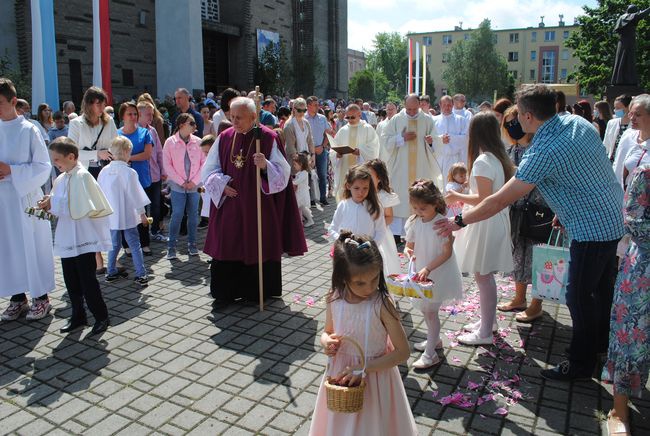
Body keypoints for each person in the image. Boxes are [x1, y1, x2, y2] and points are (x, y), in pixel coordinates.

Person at [436, 84, 624, 381]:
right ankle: (601, 345)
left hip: (591, 230)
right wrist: (565, 211)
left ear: (526, 116)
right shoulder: (578, 123)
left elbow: (499, 200)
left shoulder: (543, 151)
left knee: (578, 297)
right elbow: (584, 173)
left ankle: (580, 362)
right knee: (600, 292)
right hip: (611, 217)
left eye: (517, 115)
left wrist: (459, 220)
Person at [201, 97, 307, 308]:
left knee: (258, 243)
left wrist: (266, 166)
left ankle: (257, 292)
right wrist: (220, 183)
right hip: (229, 204)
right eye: (232, 117)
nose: (234, 122)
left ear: (253, 117)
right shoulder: (224, 137)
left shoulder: (267, 138)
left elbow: (283, 173)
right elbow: (209, 169)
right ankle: (225, 293)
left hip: (258, 206)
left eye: (239, 118)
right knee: (227, 243)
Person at [308, 232, 417, 436]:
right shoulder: (334, 298)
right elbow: (327, 331)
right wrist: (326, 341)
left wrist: (365, 368)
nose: (370, 287)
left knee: (373, 427)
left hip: (375, 379)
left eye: (375, 278)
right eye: (360, 283)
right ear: (342, 277)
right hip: (341, 377)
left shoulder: (382, 303)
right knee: (340, 427)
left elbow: (402, 352)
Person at [445, 112, 514, 345]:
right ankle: (488, 322)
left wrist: (455, 195)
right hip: (492, 220)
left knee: (483, 276)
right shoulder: (497, 157)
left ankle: (485, 332)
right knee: (484, 276)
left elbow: (485, 198)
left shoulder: (484, 160)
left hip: (486, 221)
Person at [41, 137, 112, 335]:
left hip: (83, 238)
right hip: (67, 237)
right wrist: (48, 204)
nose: (54, 163)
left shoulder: (82, 176)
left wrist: (53, 203)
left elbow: (77, 206)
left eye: (57, 159)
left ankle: (101, 316)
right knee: (71, 280)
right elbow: (61, 204)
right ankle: (78, 316)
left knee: (87, 280)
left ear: (71, 157)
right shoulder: (61, 178)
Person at [0, 77, 55, 321]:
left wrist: (12, 170)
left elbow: (43, 167)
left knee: (32, 247)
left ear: (13, 101)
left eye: (0, 103)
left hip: (25, 199)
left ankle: (41, 297)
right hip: (3, 200)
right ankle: (17, 297)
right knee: (8, 248)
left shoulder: (30, 129)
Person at [602, 164, 649, 436]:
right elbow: (633, 219)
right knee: (631, 338)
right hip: (644, 269)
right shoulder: (646, 173)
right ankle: (619, 409)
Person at [497, 106, 550, 322]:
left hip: (538, 211)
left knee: (537, 257)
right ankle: (519, 298)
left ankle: (536, 304)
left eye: (516, 122)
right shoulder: (510, 150)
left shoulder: (538, 148)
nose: (513, 127)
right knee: (518, 255)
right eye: (509, 123)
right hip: (516, 210)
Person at [404, 179, 463, 368]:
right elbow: (409, 244)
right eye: (415, 208)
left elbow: (447, 252)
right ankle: (434, 340)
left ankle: (431, 355)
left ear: (435, 204)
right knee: (424, 308)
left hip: (438, 272)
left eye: (423, 208)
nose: (418, 212)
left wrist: (428, 268)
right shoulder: (414, 221)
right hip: (422, 270)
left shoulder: (441, 224)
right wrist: (408, 252)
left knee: (430, 312)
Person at [380, 94, 443, 240]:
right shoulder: (396, 119)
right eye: (409, 109)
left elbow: (436, 142)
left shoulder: (427, 119)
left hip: (422, 166)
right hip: (400, 167)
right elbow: (385, 139)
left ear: (419, 105)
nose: (412, 112)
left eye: (415, 109)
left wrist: (431, 141)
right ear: (404, 105)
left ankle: (418, 234)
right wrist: (401, 138)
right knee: (399, 200)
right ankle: (396, 236)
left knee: (420, 198)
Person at [98, 137, 150, 287]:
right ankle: (141, 274)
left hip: (111, 216)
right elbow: (137, 195)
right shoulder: (130, 172)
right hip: (128, 216)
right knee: (134, 244)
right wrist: (142, 213)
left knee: (114, 244)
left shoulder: (104, 172)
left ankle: (111, 271)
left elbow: (100, 193)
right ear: (127, 152)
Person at [163, 113, 205, 259]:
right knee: (177, 214)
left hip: (195, 185)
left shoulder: (199, 142)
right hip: (177, 186)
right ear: (181, 125)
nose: (195, 126)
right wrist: (181, 182)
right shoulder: (170, 142)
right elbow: (167, 165)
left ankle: (192, 244)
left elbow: (204, 163)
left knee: (193, 215)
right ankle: (171, 246)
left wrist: (194, 181)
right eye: (191, 123)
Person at [118, 102, 153, 256]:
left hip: (141, 178)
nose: (133, 117)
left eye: (135, 114)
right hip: (122, 180)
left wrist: (128, 157)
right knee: (126, 212)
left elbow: (147, 154)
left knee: (142, 211)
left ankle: (144, 243)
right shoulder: (117, 134)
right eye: (129, 114)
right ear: (122, 117)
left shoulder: (144, 133)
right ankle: (126, 245)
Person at [330, 104, 379, 202]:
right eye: (347, 117)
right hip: (345, 170)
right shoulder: (343, 130)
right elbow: (333, 149)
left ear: (360, 115)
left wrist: (360, 151)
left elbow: (374, 148)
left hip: (362, 171)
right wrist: (337, 155)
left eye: (352, 117)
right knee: (345, 197)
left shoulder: (367, 128)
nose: (350, 120)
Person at [363, 159, 401, 275]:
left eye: (370, 176)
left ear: (379, 178)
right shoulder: (362, 193)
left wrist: (377, 225)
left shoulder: (383, 196)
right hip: (364, 232)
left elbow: (389, 217)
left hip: (381, 234)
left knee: (383, 260)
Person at [137, 100, 167, 241]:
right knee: (141, 207)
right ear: (139, 115)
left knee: (155, 206)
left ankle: (155, 231)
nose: (151, 117)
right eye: (148, 114)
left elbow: (160, 152)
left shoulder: (152, 130)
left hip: (154, 175)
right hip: (139, 177)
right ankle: (142, 235)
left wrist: (163, 170)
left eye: (152, 114)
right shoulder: (133, 131)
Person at [619, 95, 650, 190]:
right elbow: (618, 167)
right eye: (630, 114)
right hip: (625, 200)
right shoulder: (628, 136)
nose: (632, 118)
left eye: (637, 115)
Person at [433, 95, 470, 175]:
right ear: (440, 105)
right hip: (438, 160)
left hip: (455, 159)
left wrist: (450, 138)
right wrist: (440, 139)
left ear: (453, 105)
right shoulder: (433, 120)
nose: (447, 107)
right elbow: (429, 139)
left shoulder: (461, 120)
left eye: (449, 105)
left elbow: (466, 138)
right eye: (444, 105)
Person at [306, 96, 331, 205]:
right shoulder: (303, 119)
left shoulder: (322, 118)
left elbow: (328, 134)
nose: (318, 107)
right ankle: (311, 199)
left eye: (318, 104)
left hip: (321, 150)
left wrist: (322, 146)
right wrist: (311, 149)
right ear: (308, 106)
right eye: (315, 105)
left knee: (322, 174)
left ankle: (322, 198)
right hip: (307, 151)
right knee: (308, 175)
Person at [604, 94, 633, 163]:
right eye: (614, 107)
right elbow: (606, 143)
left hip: (627, 162)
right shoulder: (612, 123)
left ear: (628, 107)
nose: (615, 110)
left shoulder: (636, 125)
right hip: (611, 161)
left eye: (618, 108)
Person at [199, 135, 216, 229]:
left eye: (207, 152)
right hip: (208, 196)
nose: (205, 154)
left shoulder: (219, 160)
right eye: (204, 152)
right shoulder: (207, 159)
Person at [292, 152, 314, 227]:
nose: (294, 166)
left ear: (300, 164)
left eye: (295, 164)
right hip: (299, 193)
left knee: (301, 208)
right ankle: (300, 221)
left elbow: (296, 182)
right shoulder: (300, 172)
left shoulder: (304, 173)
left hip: (302, 194)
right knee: (300, 208)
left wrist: (290, 182)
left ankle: (310, 220)